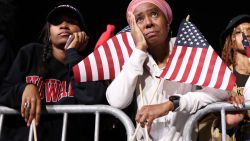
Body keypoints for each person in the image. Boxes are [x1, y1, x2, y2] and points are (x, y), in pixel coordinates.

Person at [105, 0, 230, 140]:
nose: (148, 23)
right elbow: (116, 101)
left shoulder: (187, 50)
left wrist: (172, 104)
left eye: (154, 14)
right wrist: (139, 49)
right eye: (139, 19)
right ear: (134, 28)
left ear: (167, 21)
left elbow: (222, 89)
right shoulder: (134, 58)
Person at [0, 4, 109, 141]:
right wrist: (25, 89)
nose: (64, 25)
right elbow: (3, 92)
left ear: (83, 34)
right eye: (57, 22)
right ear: (49, 35)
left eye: (71, 21)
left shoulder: (90, 64)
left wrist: (72, 53)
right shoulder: (30, 53)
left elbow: (93, 98)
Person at [198, 14, 250, 141]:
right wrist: (227, 125)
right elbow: (201, 128)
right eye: (240, 32)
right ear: (231, 39)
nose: (247, 34)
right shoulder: (218, 78)